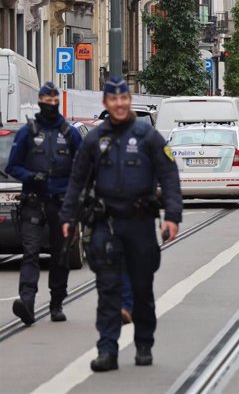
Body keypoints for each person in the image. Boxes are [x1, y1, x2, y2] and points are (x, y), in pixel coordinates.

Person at [60, 78, 183, 372]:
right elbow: (77, 181)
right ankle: (107, 349)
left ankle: (143, 344)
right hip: (106, 223)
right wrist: (68, 218)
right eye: (113, 100)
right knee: (108, 289)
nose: (119, 104)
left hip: (140, 222)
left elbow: (169, 176)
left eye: (123, 99)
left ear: (129, 101)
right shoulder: (94, 139)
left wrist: (173, 216)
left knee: (141, 288)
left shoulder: (147, 135)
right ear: (106, 103)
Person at [5, 82, 83, 325]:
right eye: (45, 101)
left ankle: (57, 303)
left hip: (61, 204)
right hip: (33, 202)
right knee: (30, 252)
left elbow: (83, 166)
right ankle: (26, 302)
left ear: (57, 102)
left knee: (60, 255)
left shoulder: (70, 133)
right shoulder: (27, 132)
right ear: (39, 102)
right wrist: (30, 177)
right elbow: (12, 167)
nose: (50, 105)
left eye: (53, 101)